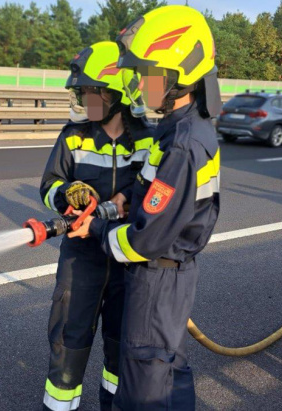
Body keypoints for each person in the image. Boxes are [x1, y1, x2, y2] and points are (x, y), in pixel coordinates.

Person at [68, 5, 222, 409]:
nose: (138, 82)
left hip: (156, 280)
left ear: (177, 76)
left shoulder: (183, 143)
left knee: (146, 383)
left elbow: (145, 239)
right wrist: (126, 199)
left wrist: (97, 230)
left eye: (147, 74)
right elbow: (156, 189)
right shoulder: (177, 125)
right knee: (167, 369)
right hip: (167, 278)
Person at [39, 41, 155, 411]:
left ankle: (114, 404)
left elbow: (157, 195)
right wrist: (65, 193)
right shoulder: (73, 136)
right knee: (68, 340)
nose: (85, 100)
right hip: (81, 258)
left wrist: (127, 202)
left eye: (92, 92)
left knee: (123, 345)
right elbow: (48, 186)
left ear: (117, 95)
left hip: (127, 257)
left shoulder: (147, 139)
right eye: (82, 92)